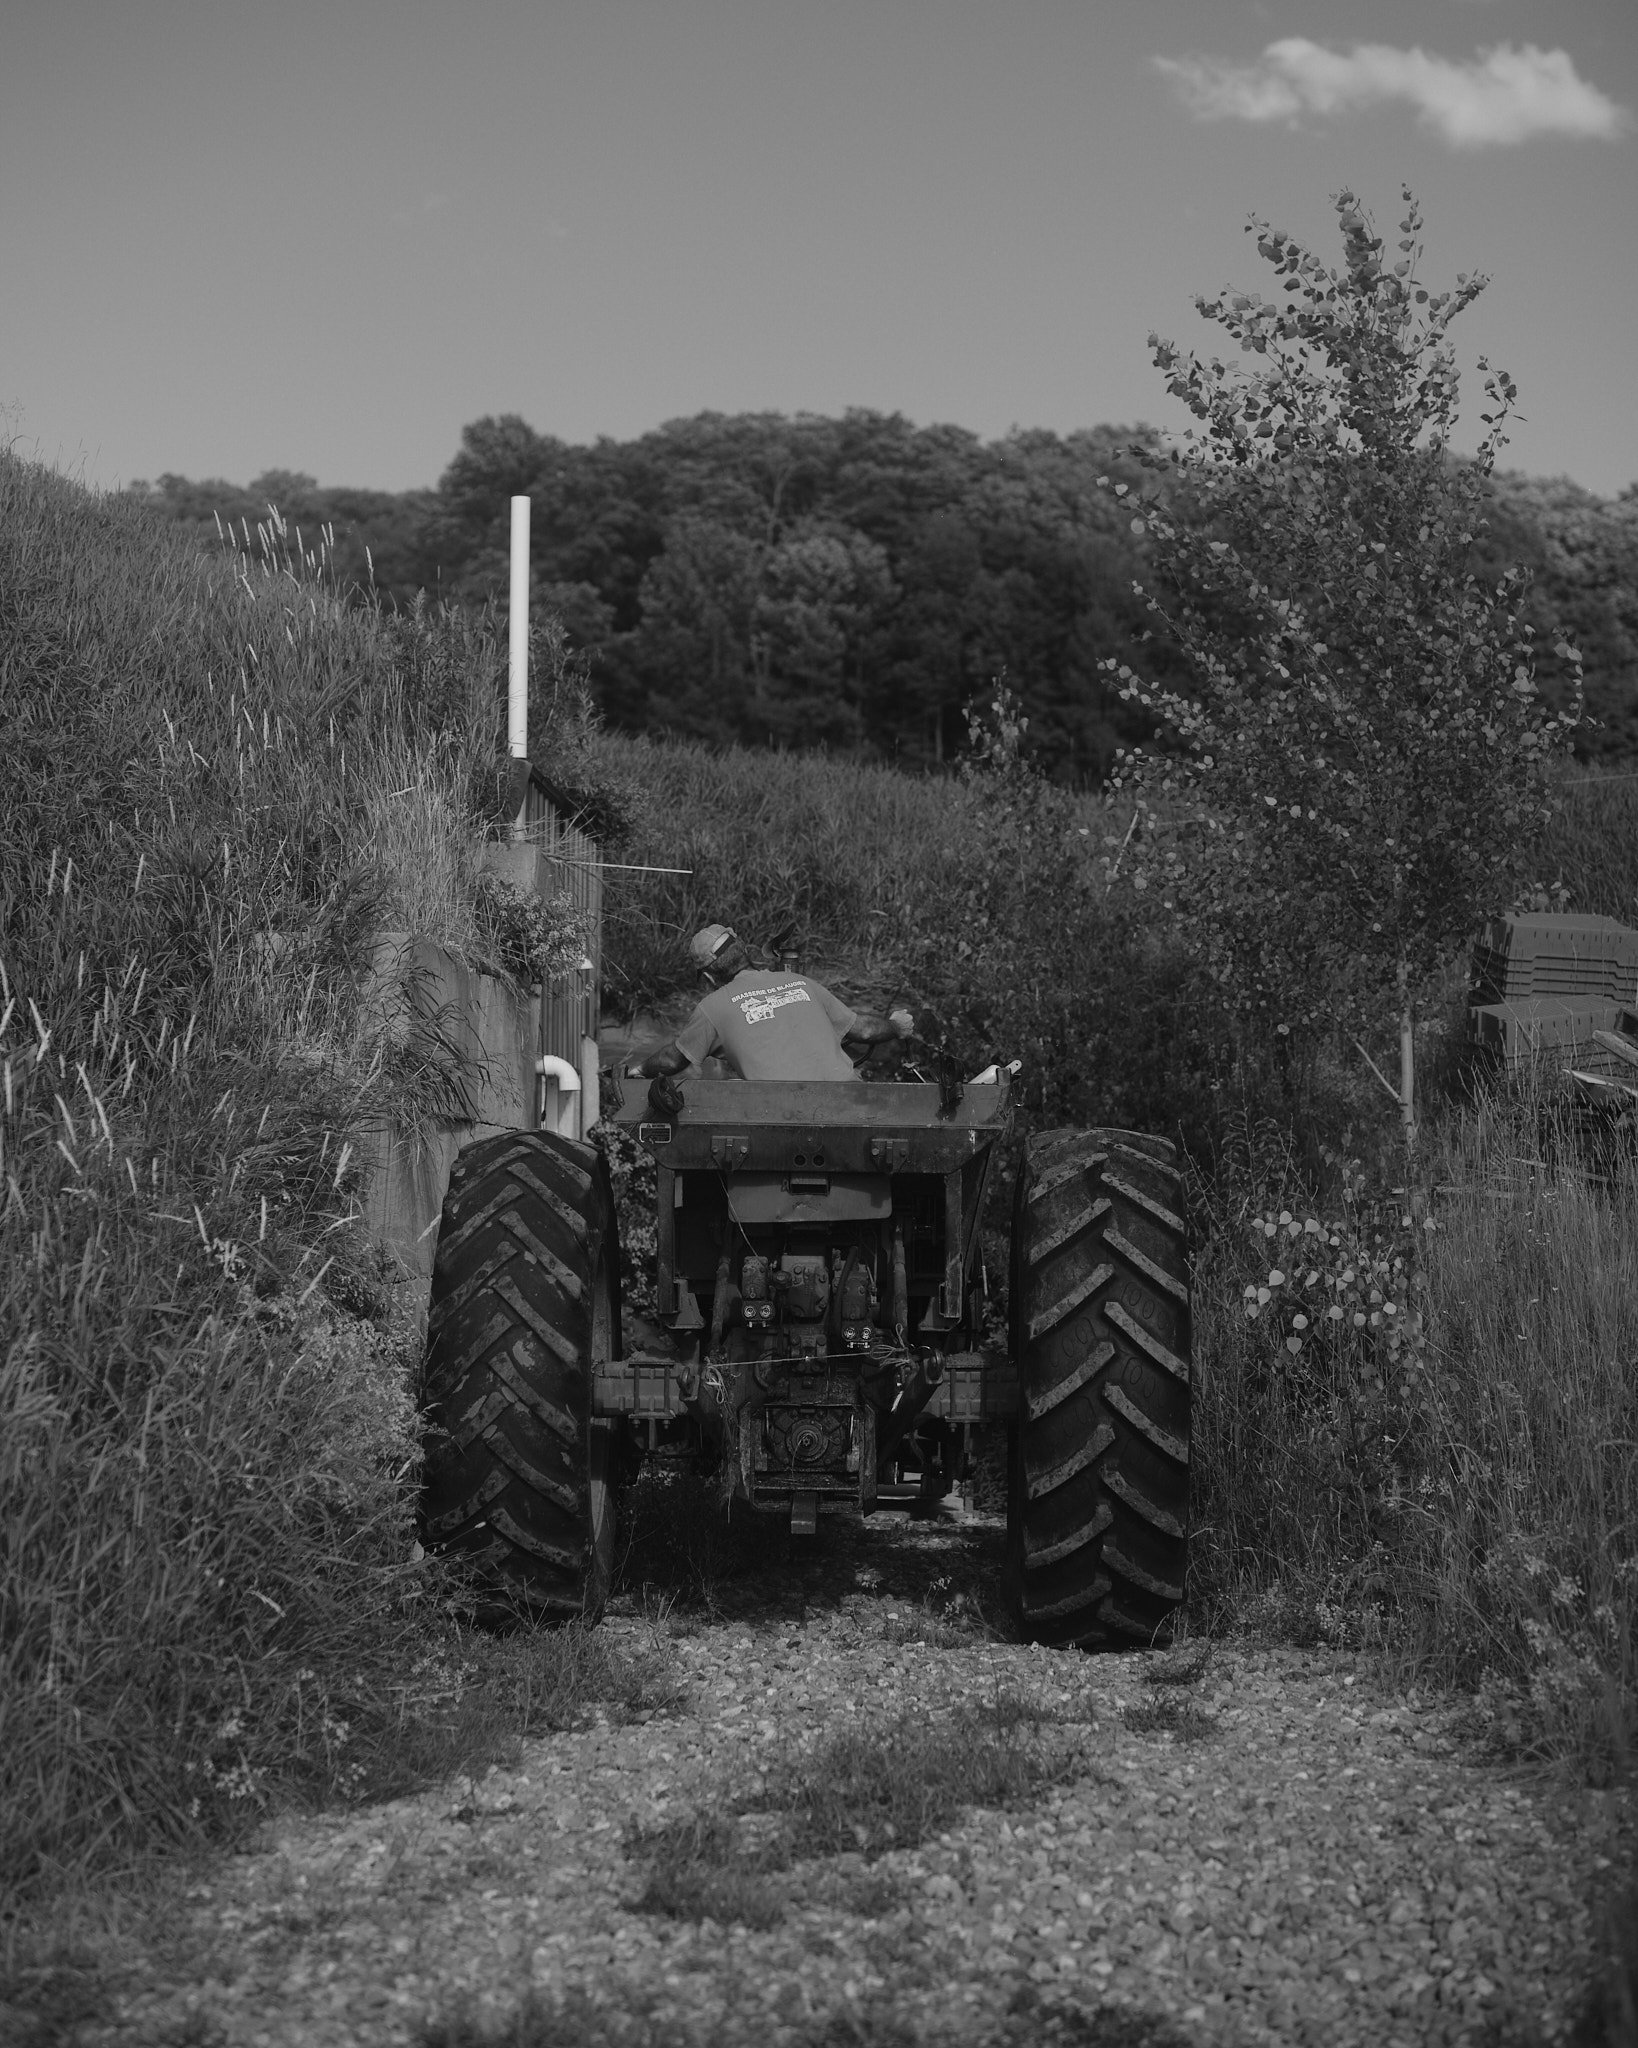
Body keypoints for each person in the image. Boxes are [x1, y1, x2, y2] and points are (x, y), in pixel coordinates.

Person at [632, 925, 914, 1084]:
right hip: (846, 1107)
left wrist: (639, 1070)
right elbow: (864, 1031)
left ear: (707, 975)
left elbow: (672, 1059)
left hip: (775, 1117)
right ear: (745, 949)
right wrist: (895, 1026)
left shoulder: (712, 1008)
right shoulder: (803, 984)